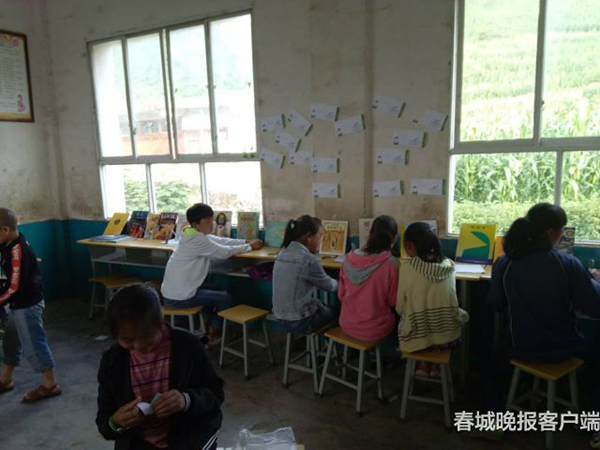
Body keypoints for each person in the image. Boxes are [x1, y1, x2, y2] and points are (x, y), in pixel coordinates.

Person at [485, 203, 600, 419]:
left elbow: (495, 303)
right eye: (561, 230)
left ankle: (499, 414)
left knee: (494, 353)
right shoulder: (567, 264)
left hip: (518, 347)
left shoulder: (505, 263)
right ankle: (589, 415)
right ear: (551, 233)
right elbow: (594, 306)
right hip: (561, 350)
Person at [97, 283, 224, 450]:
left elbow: (215, 394)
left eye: (146, 336)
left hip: (189, 439)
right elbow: (104, 421)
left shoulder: (188, 347)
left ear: (160, 322)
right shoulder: (112, 361)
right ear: (115, 336)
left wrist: (186, 400)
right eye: (128, 340)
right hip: (138, 443)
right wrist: (116, 422)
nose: (140, 346)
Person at [161, 203, 263, 340]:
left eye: (212, 220)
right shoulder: (197, 239)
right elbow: (223, 252)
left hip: (174, 292)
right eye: (207, 222)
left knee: (215, 289)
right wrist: (249, 247)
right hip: (179, 297)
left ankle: (207, 324)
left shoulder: (191, 233)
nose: (212, 224)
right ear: (196, 225)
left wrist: (245, 241)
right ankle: (215, 332)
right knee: (226, 298)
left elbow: (220, 241)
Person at [0, 208, 61, 402]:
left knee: (34, 343)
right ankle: (5, 379)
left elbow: (14, 286)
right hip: (14, 304)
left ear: (5, 230)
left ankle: (50, 385)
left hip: (27, 305)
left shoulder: (18, 251)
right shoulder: (6, 244)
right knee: (11, 340)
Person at [396, 222, 468, 377]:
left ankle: (423, 362)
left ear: (409, 245)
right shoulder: (449, 265)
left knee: (414, 322)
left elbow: (399, 307)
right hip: (449, 336)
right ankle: (434, 364)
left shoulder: (407, 268)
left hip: (417, 337)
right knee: (435, 326)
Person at [272, 215, 338, 334]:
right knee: (337, 312)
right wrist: (343, 281)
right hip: (300, 321)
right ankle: (332, 346)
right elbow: (329, 286)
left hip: (279, 317)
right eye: (320, 236)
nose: (320, 241)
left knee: (318, 304)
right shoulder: (308, 259)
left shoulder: (281, 254)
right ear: (309, 237)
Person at [338, 215, 399, 341]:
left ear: (371, 234)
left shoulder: (348, 259)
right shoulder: (391, 264)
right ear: (394, 238)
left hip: (346, 324)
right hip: (376, 329)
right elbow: (393, 301)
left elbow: (341, 295)